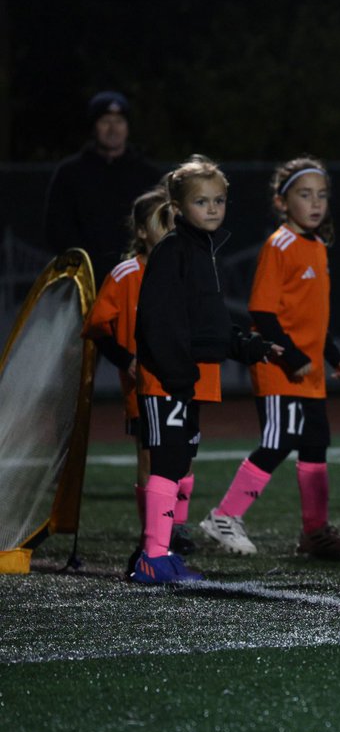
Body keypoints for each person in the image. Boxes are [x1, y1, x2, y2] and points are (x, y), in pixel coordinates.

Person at [128, 155, 279, 584]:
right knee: (167, 461)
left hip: (184, 382)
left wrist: (249, 346)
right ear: (177, 208)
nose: (212, 209)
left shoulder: (200, 252)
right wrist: (177, 376)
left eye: (219, 200)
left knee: (179, 462)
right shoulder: (173, 251)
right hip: (168, 381)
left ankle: (162, 552)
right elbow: (156, 322)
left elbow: (208, 326)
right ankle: (153, 558)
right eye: (201, 201)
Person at [200, 157, 340, 559]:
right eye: (305, 195)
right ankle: (224, 515)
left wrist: (332, 353)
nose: (315, 203)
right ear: (282, 203)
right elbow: (263, 312)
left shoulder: (318, 245)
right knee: (280, 439)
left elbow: (313, 316)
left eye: (321, 195)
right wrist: (291, 358)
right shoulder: (280, 244)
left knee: (316, 443)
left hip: (309, 370)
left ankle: (314, 532)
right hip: (279, 366)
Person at [82, 185, 198, 559]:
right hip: (144, 387)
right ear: (142, 232)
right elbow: (96, 326)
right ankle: (152, 536)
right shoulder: (126, 273)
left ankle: (174, 528)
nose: (170, 229)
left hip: (181, 382)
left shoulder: (185, 268)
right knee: (151, 456)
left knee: (183, 456)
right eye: (161, 222)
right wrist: (124, 359)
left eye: (173, 221)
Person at [44, 91, 162, 279]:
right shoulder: (70, 173)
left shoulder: (148, 175)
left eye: (119, 121)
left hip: (138, 279)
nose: (113, 129)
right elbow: (57, 229)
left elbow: (160, 226)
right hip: (85, 279)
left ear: (127, 127)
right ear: (94, 127)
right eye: (105, 121)